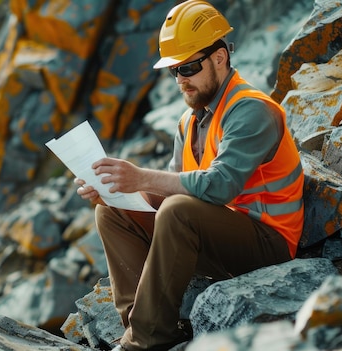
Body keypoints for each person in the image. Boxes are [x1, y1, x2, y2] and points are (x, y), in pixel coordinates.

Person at [74, 1, 305, 350]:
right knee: (111, 211)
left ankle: (143, 342)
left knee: (177, 211)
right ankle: (142, 325)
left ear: (219, 58)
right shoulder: (189, 121)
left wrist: (141, 178)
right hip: (213, 235)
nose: (181, 79)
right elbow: (171, 188)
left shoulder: (253, 111)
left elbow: (220, 186)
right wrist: (113, 188)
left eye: (189, 67)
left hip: (267, 243)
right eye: (174, 71)